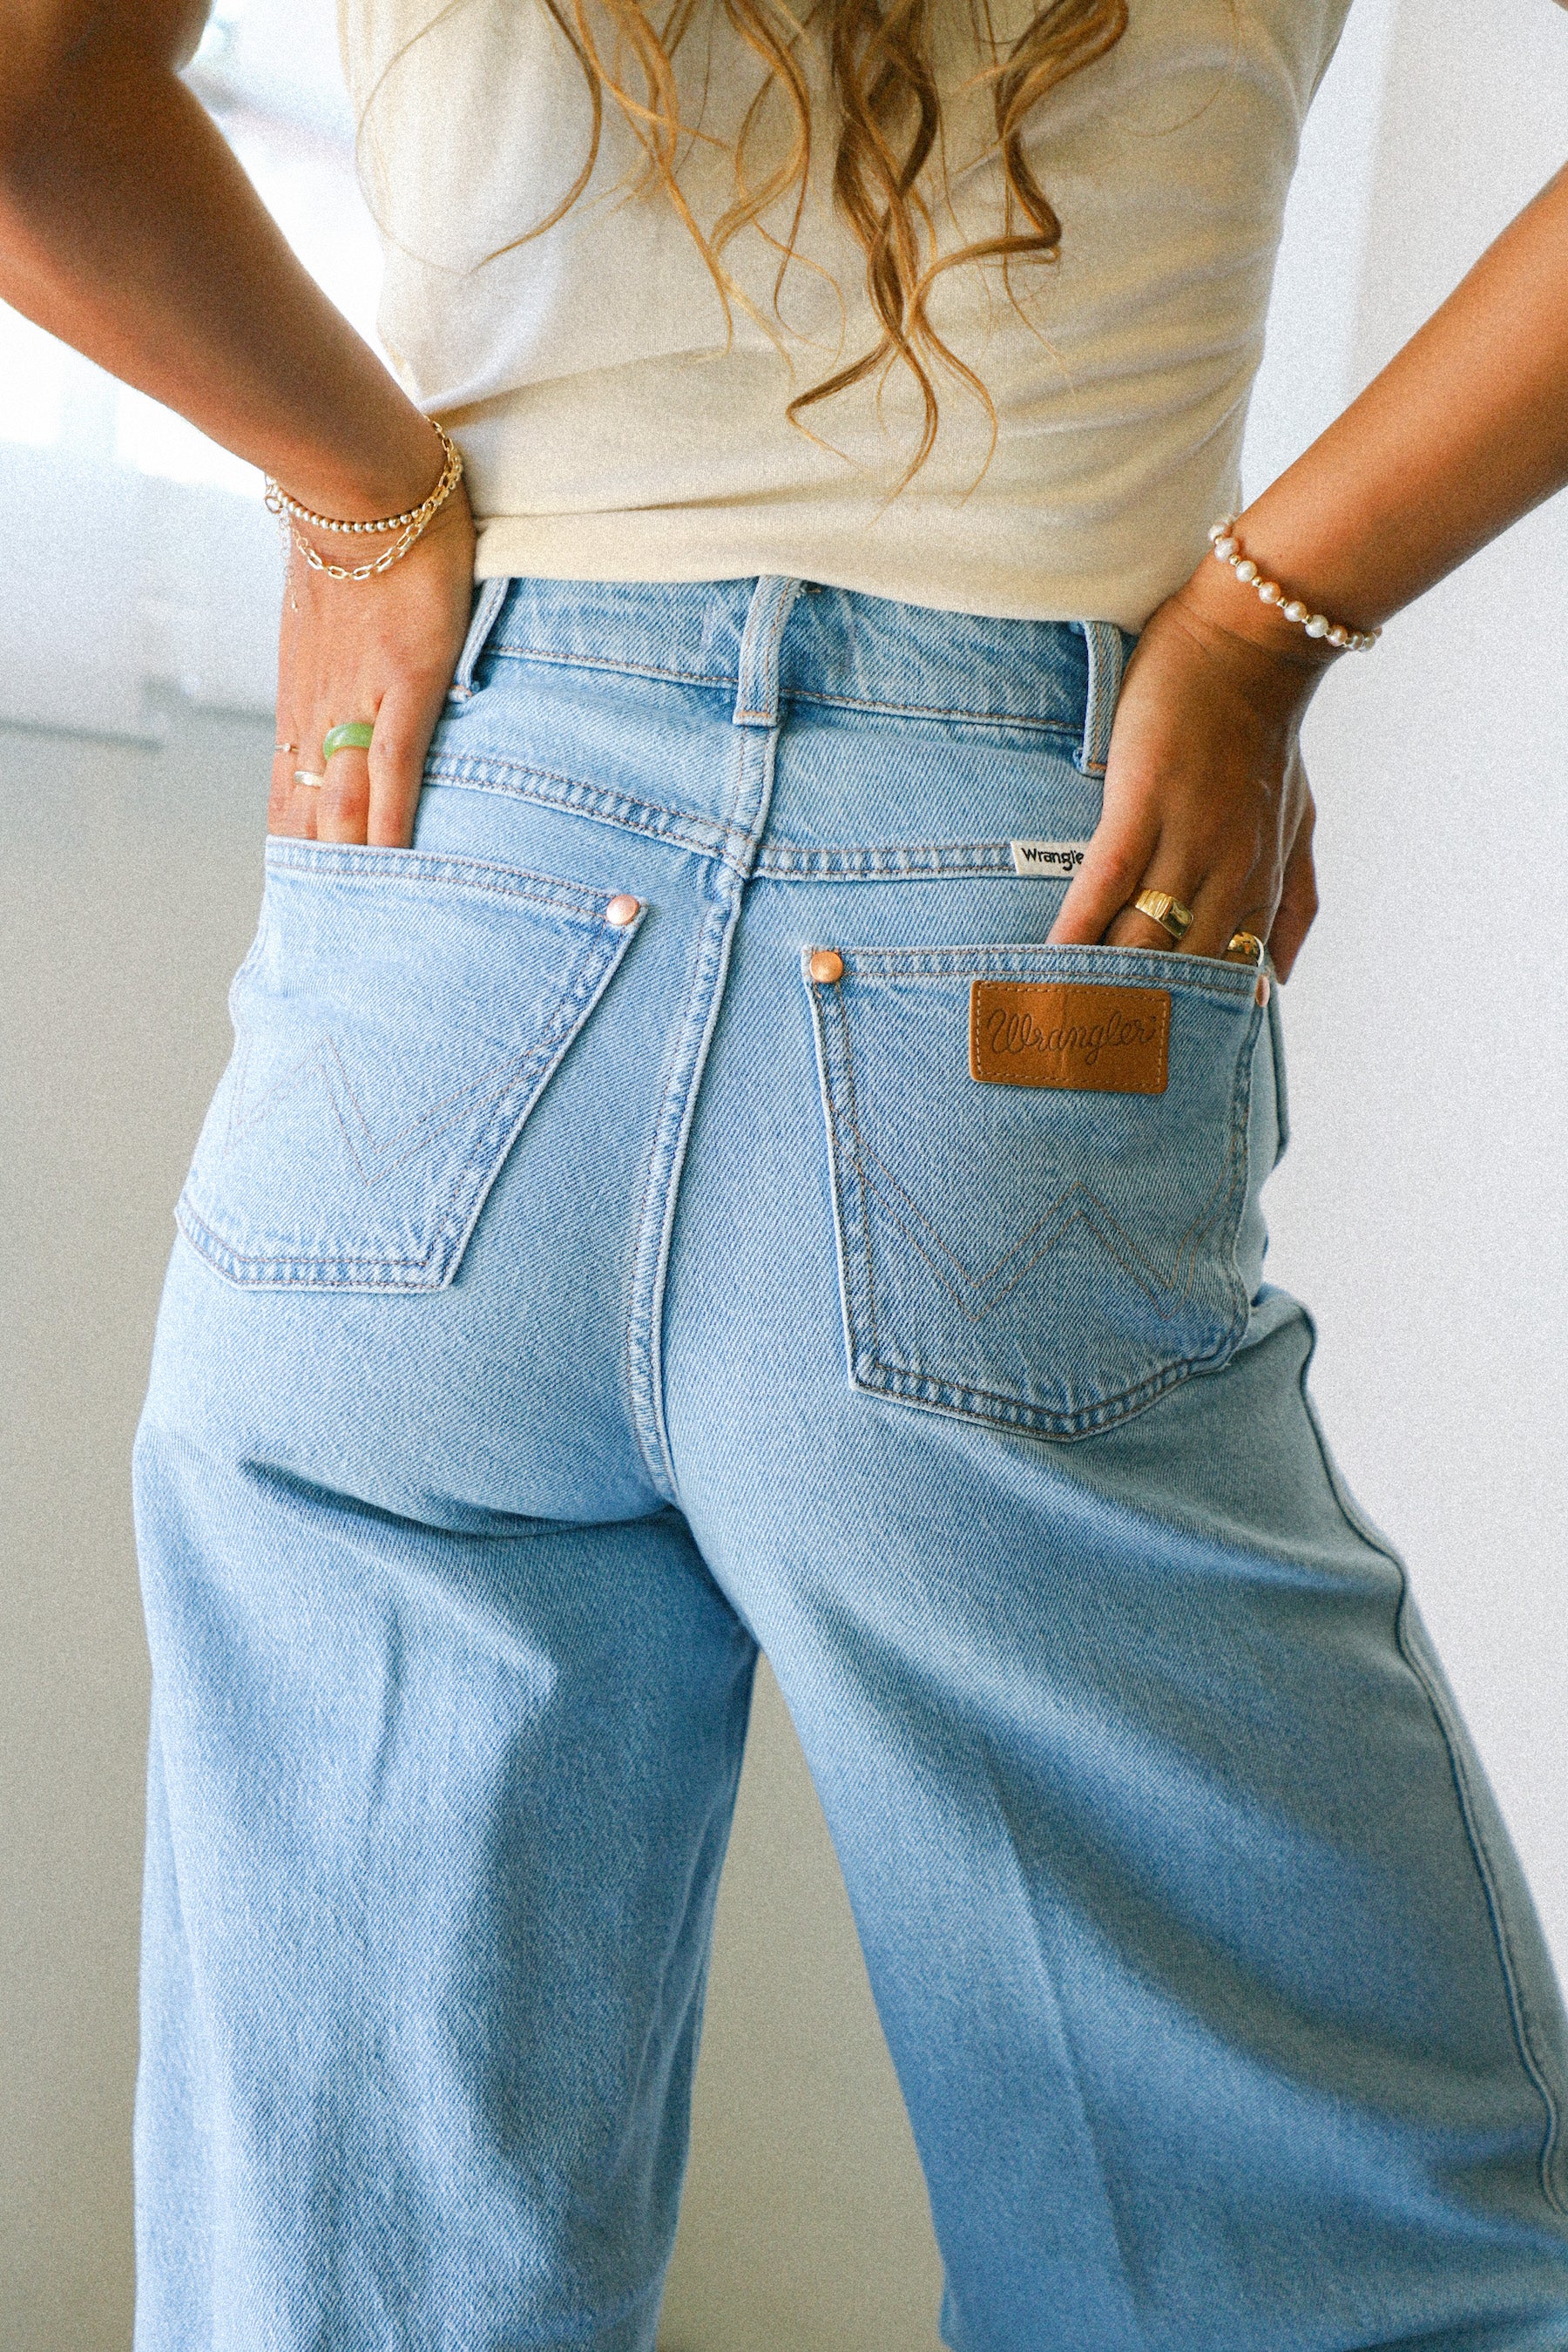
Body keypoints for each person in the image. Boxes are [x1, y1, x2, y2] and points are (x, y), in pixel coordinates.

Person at [4, 0, 1568, 2342]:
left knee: (350, 2278)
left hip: (452, 870)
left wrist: (361, 493)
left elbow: (28, 92)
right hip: (1016, 930)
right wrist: (1266, 626)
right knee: (1310, 2253)